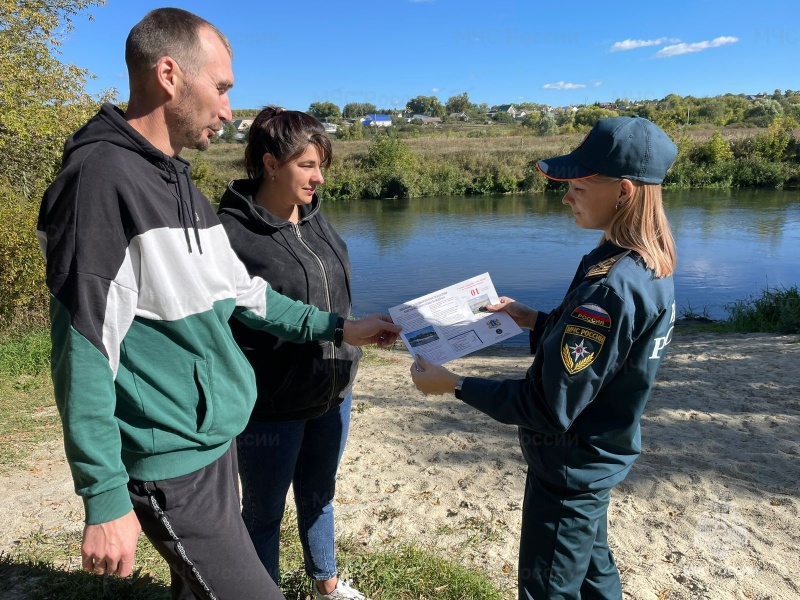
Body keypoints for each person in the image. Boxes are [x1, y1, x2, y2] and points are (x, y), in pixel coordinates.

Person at [36, 8, 399, 600]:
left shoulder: (179, 185)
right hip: (168, 458)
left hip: (212, 440)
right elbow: (83, 346)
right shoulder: (101, 179)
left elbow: (249, 297)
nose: (230, 110)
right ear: (170, 74)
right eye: (223, 88)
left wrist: (340, 327)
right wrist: (103, 496)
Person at [410, 116, 678, 600]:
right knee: (596, 576)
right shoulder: (642, 265)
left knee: (547, 588)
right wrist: (532, 318)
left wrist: (453, 385)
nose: (565, 196)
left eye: (576, 185)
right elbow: (605, 358)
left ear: (624, 191)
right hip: (598, 458)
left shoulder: (609, 288)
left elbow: (546, 407)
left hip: (570, 466)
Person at [216, 107, 369, 600]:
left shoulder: (317, 218)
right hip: (272, 408)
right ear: (269, 164)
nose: (318, 176)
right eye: (307, 165)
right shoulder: (229, 236)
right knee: (263, 513)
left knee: (320, 496)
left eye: (321, 164)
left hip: (333, 392)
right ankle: (265, 591)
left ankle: (327, 583)